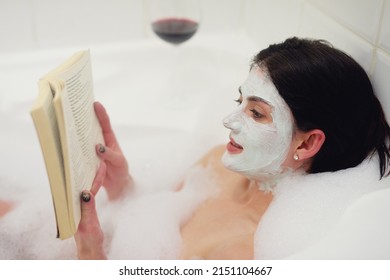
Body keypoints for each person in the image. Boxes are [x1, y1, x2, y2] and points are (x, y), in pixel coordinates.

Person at [2, 37, 389, 259]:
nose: (229, 120)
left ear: (307, 142)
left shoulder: (241, 253)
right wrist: (124, 188)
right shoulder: (219, 166)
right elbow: (149, 216)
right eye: (240, 101)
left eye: (256, 113)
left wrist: (90, 250)